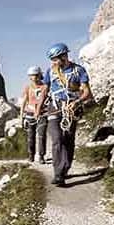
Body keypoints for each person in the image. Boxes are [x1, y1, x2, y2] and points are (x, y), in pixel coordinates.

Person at [36, 43, 92, 187]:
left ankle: (65, 167)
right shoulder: (51, 71)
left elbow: (87, 92)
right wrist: (39, 107)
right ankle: (58, 174)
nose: (53, 62)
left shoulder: (78, 71)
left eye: (55, 59)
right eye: (52, 60)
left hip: (71, 108)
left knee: (68, 140)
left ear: (64, 56)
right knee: (57, 139)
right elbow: (45, 90)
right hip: (54, 107)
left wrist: (77, 102)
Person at [20, 66, 48, 164]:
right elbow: (24, 101)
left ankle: (41, 156)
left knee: (41, 135)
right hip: (29, 114)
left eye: (36, 75)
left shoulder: (45, 87)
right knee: (30, 136)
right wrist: (21, 116)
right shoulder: (27, 87)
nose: (34, 78)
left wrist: (38, 111)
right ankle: (31, 155)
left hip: (42, 114)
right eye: (31, 76)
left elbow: (43, 99)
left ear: (40, 75)